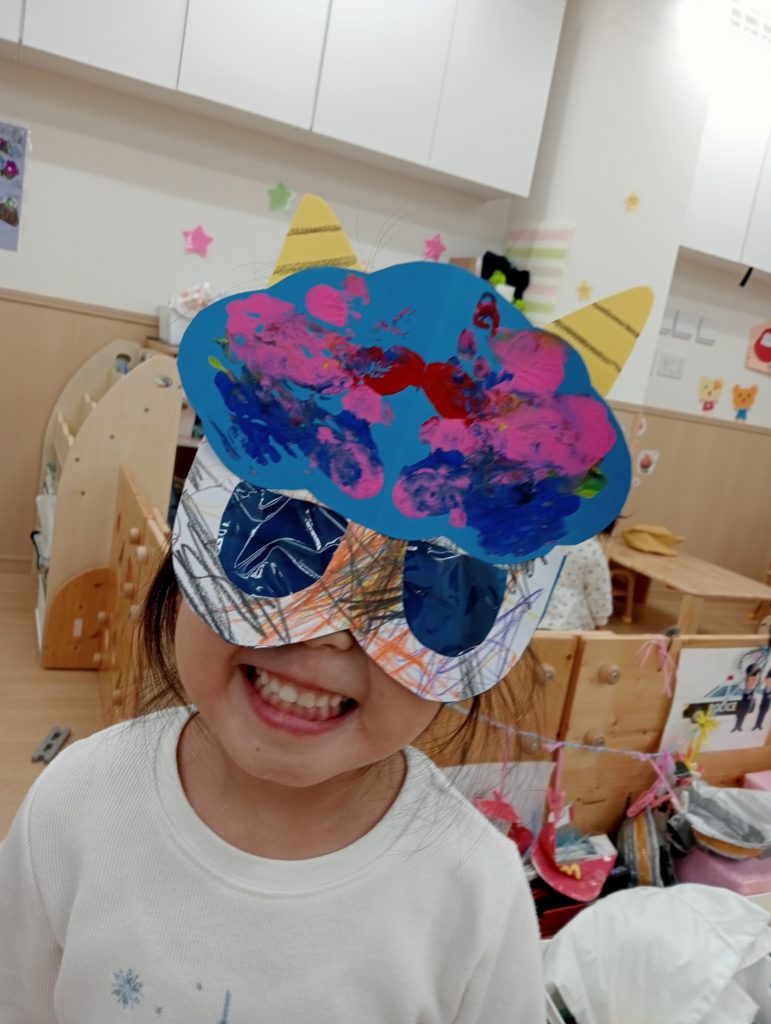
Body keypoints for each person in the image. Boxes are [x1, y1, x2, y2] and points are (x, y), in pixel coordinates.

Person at [0, 221, 632, 1019]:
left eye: (430, 585)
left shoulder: (474, 896)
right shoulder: (75, 808)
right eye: (281, 536)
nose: (330, 634)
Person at [538, 534, 614, 631]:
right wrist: (601, 620)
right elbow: (598, 588)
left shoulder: (528, 541)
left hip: (530, 621)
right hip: (572, 624)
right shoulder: (589, 546)